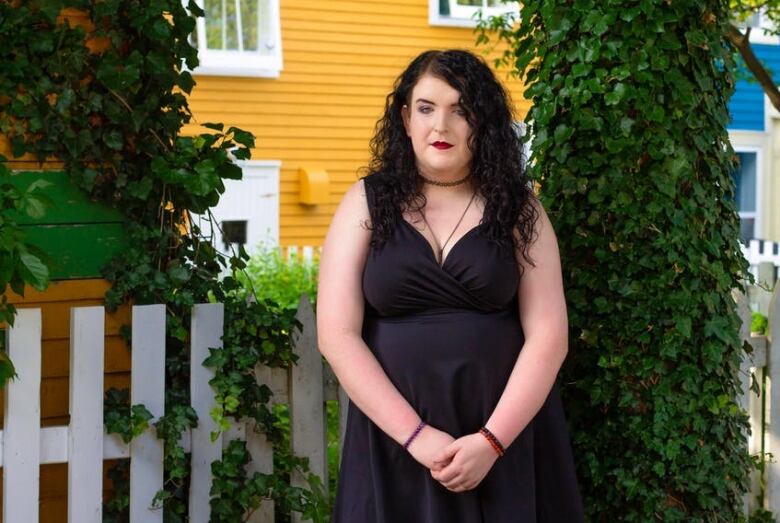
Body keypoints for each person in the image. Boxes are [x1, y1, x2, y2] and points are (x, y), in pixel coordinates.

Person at [316, 49, 584, 522]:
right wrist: (418, 437)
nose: (441, 126)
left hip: (503, 437)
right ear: (404, 117)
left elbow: (549, 337)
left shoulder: (522, 210)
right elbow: (336, 335)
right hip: (393, 440)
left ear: (484, 123)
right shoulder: (365, 203)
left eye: (461, 110)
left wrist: (491, 442)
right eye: (426, 108)